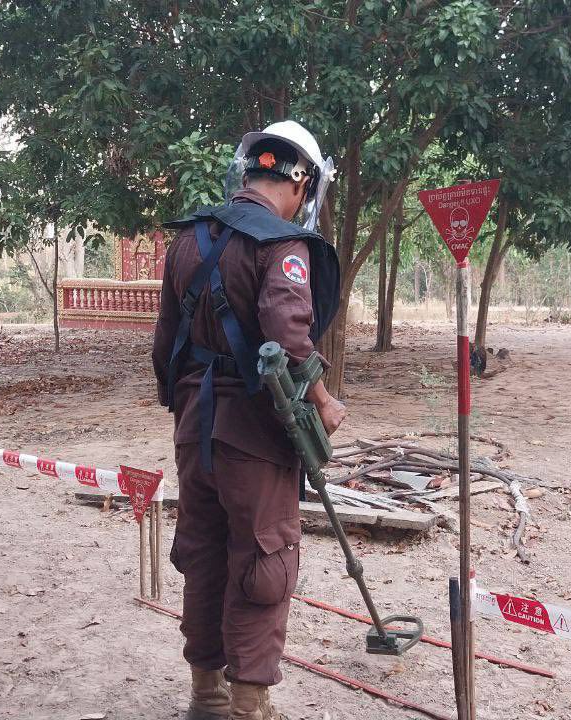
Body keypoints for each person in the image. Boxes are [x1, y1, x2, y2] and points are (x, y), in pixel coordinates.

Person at [152, 120, 345, 720]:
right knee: (265, 560)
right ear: (302, 184)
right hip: (254, 436)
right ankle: (248, 707)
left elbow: (164, 346)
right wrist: (323, 400)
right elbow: (288, 334)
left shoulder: (188, 239)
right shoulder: (282, 245)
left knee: (204, 555)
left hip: (194, 431)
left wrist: (187, 411)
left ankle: (206, 696)